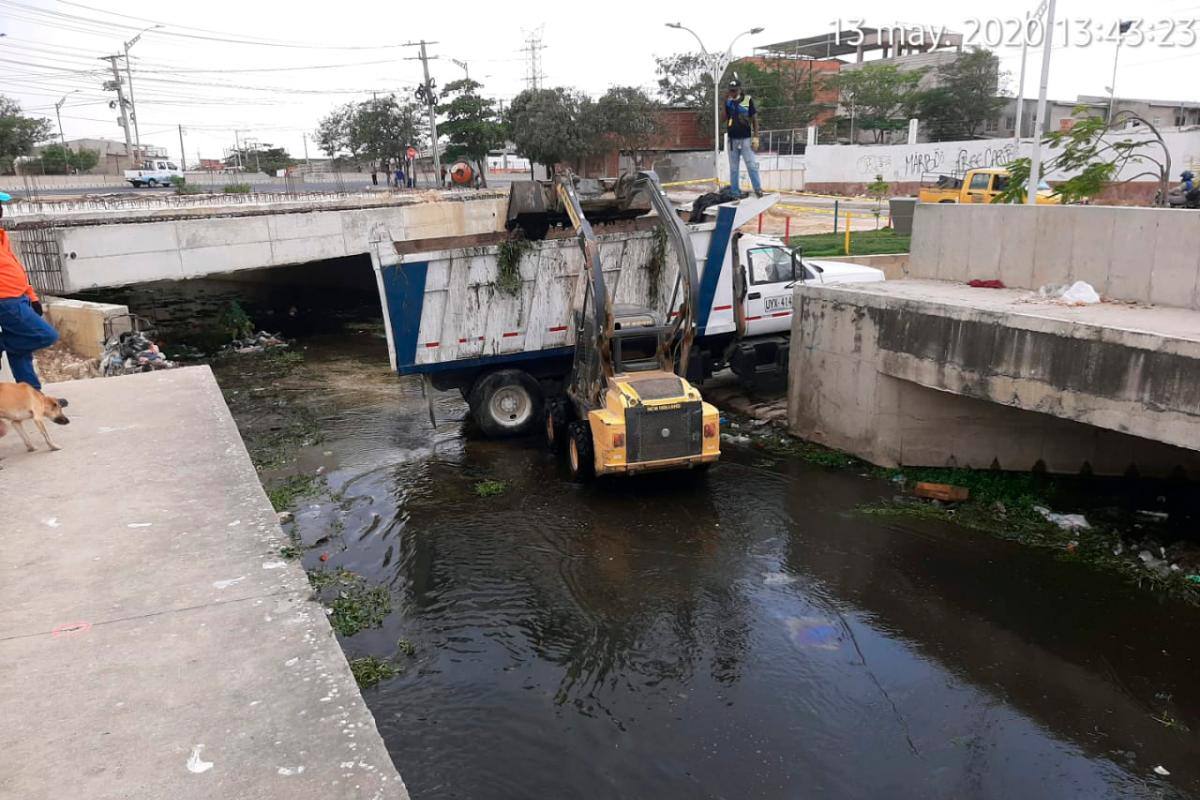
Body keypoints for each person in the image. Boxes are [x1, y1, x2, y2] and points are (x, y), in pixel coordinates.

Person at [0, 192, 60, 392]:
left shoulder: (2, 235)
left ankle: (33, 397)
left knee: (21, 351)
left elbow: (16, 267)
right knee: (46, 335)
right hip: (6, 301)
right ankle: (4, 344)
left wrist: (32, 296)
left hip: (20, 298)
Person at [724, 78, 763, 199]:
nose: (733, 93)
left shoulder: (747, 100)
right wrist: (724, 102)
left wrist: (756, 137)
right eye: (731, 91)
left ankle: (758, 189)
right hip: (732, 140)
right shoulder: (729, 102)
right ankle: (735, 193)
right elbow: (723, 119)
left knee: (751, 165)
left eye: (735, 90)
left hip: (746, 139)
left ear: (739, 89)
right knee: (734, 169)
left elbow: (754, 119)